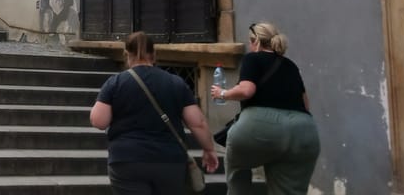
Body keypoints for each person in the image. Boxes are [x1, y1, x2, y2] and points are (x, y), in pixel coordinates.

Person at [90, 31, 219, 193]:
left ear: (127, 54)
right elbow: (198, 123)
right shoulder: (175, 83)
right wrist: (209, 149)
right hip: (169, 160)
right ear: (154, 54)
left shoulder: (115, 83)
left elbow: (98, 121)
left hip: (127, 159)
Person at [209, 22, 320, 194]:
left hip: (258, 126)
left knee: (237, 169)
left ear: (255, 42)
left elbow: (247, 90)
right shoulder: (290, 65)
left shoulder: (252, 58)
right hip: (303, 130)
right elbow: (305, 104)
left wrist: (222, 93)